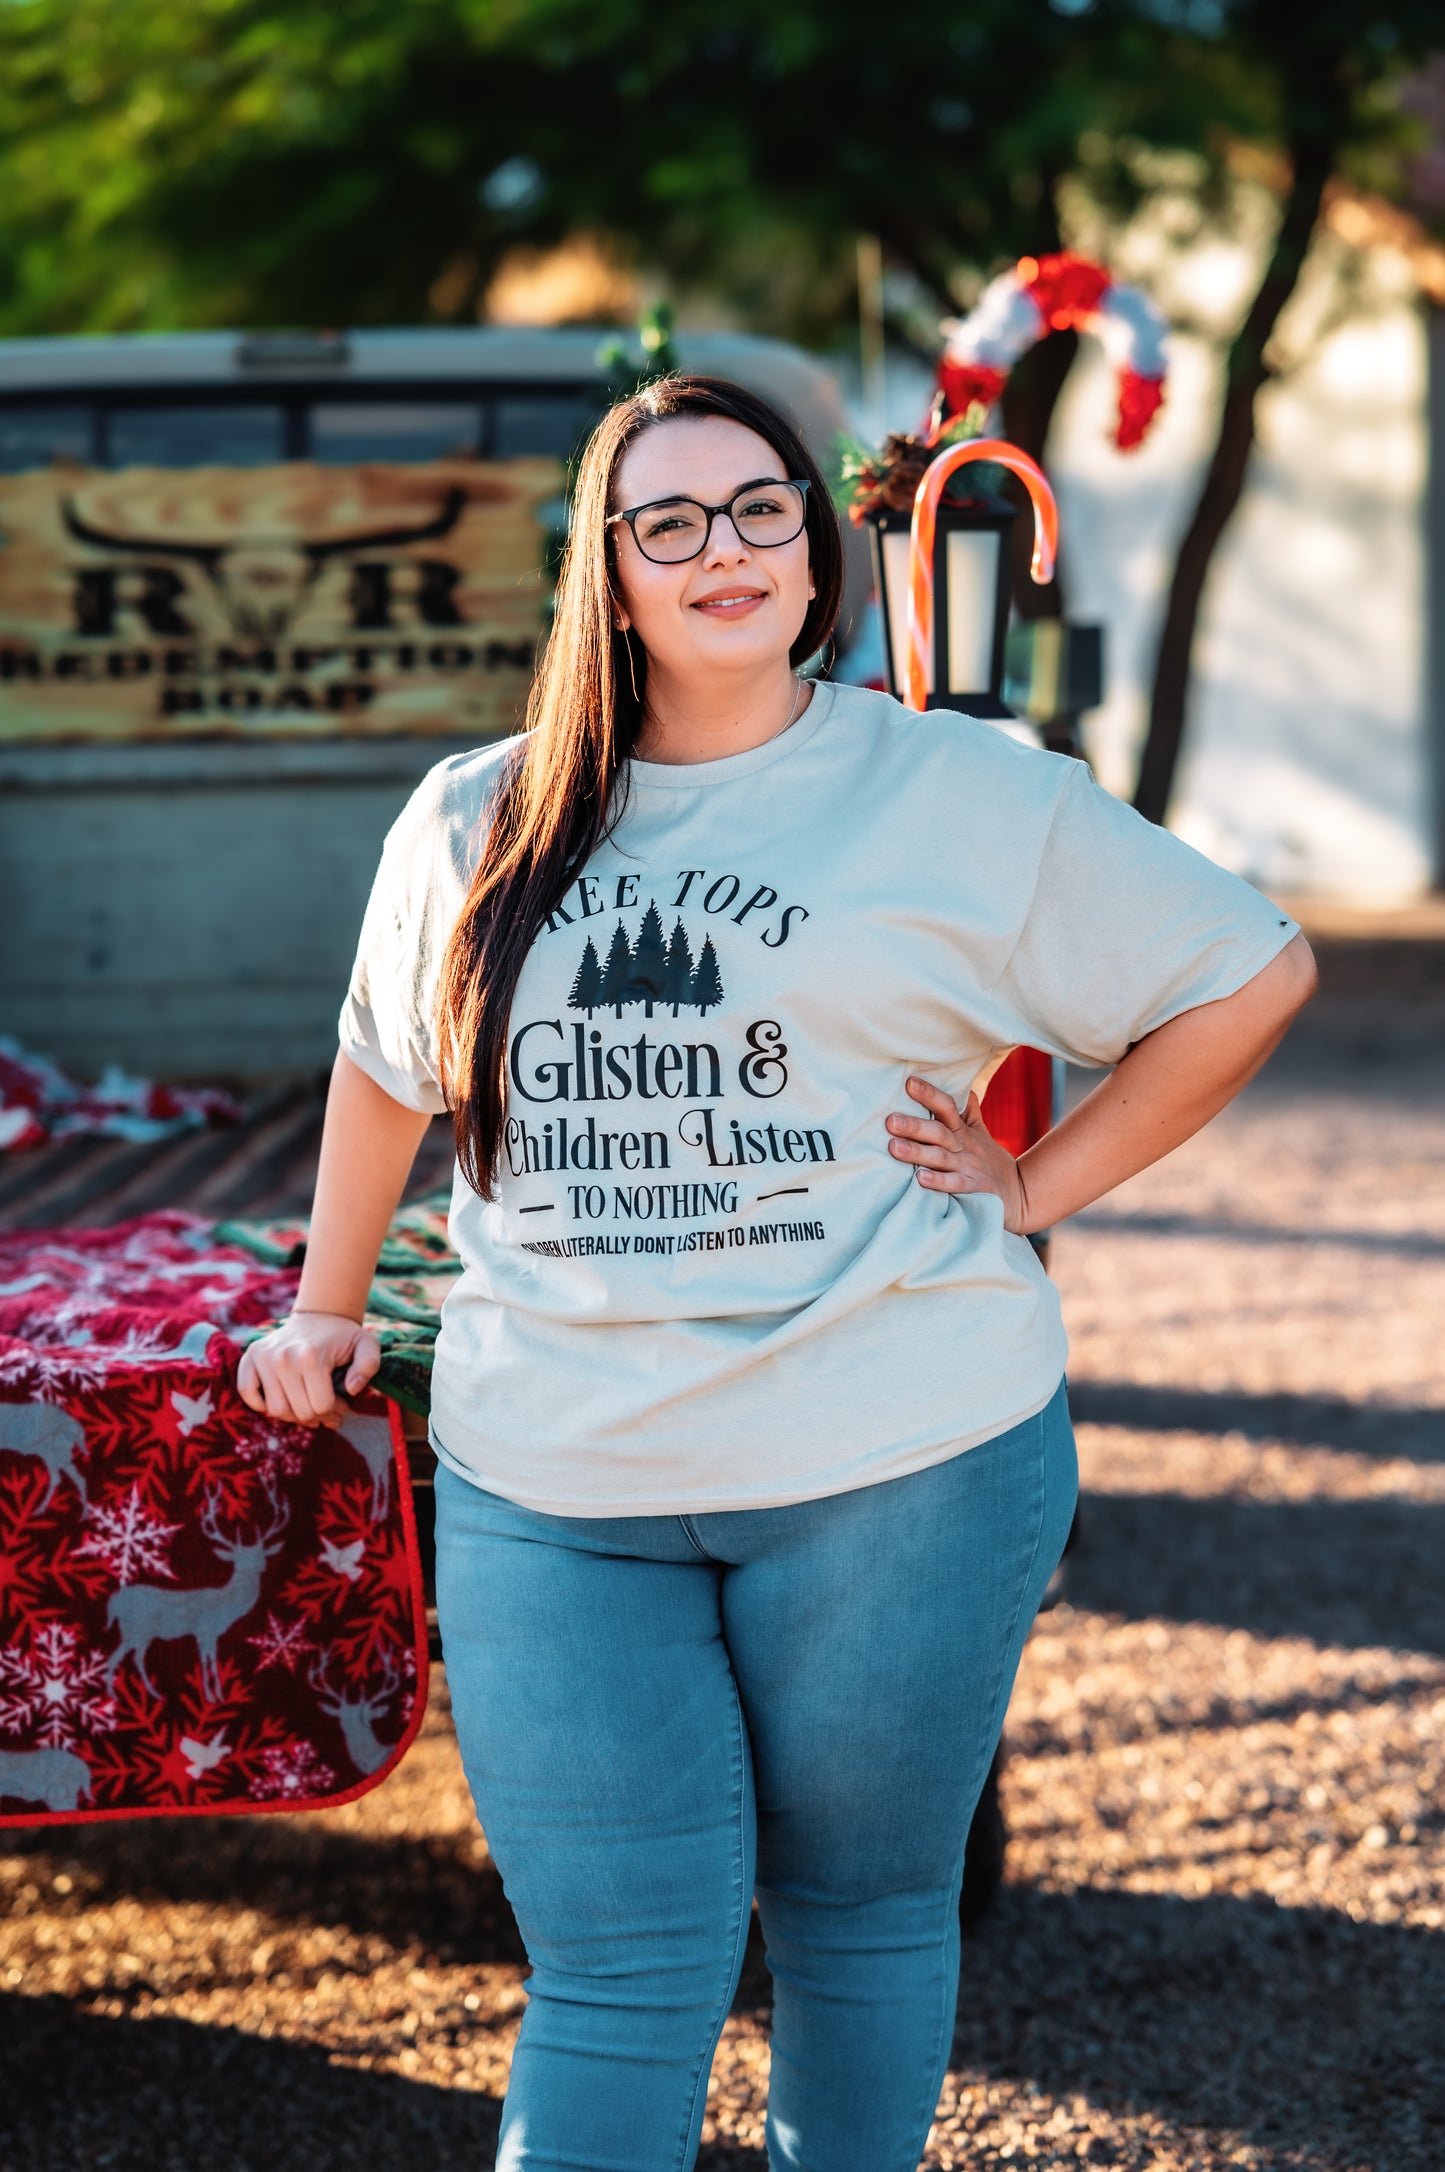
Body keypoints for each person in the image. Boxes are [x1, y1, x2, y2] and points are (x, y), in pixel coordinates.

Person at [239, 374, 1315, 2172]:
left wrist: (1037, 1182)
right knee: (614, 1972)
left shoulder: (963, 791)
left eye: (758, 509)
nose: (720, 549)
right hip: (558, 1480)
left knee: (860, 1915)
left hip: (899, 1460)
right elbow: (381, 1059)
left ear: (818, 550)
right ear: (609, 572)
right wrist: (324, 1305)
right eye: (666, 522)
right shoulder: (474, 816)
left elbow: (1246, 974)